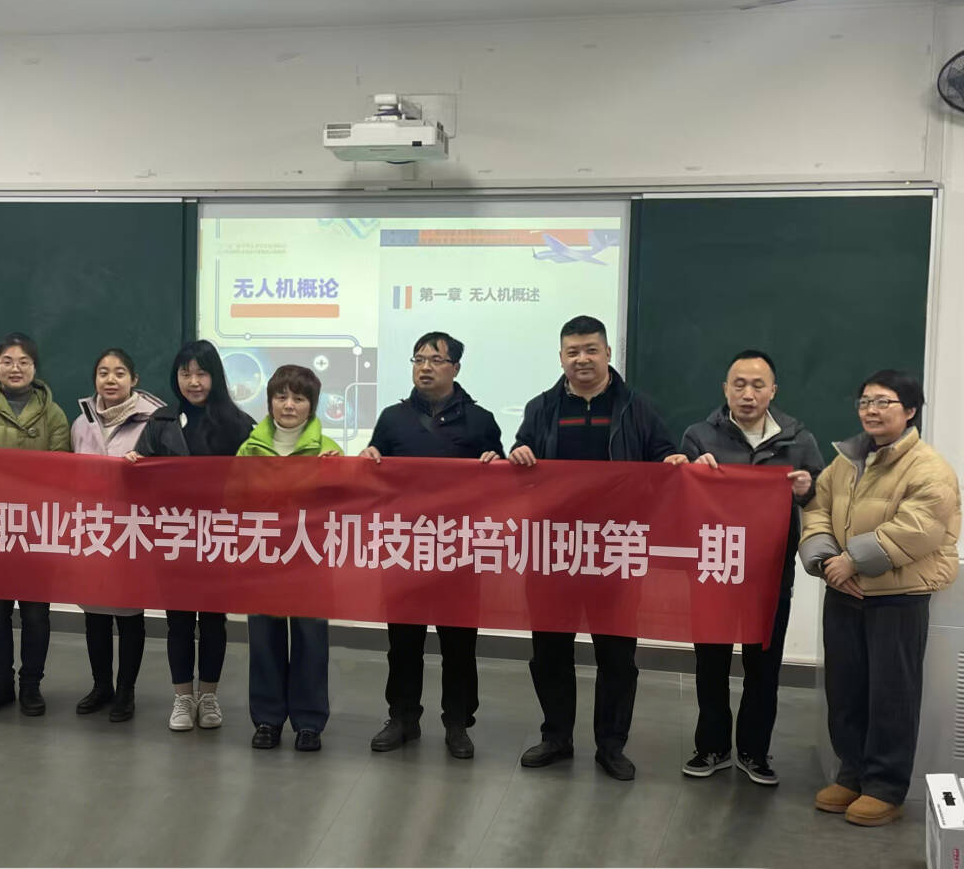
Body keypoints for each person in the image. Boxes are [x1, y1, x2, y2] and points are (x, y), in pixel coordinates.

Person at [501, 315, 683, 781]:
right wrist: (518, 453)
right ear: (561, 357)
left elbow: (662, 455)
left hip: (615, 549)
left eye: (590, 350)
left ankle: (611, 745)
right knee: (549, 651)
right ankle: (556, 737)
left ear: (607, 354)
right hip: (553, 548)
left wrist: (671, 459)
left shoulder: (637, 408)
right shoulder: (542, 407)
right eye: (573, 352)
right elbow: (522, 455)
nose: (582, 359)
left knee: (617, 655)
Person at [800, 369, 960, 826]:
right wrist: (826, 562)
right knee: (845, 690)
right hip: (844, 592)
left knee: (892, 694)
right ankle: (850, 774)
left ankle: (885, 787)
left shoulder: (929, 468)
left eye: (883, 402)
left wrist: (853, 560)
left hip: (898, 597)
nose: (871, 410)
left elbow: (919, 527)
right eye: (865, 401)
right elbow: (817, 508)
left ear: (910, 411)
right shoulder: (846, 461)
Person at [679, 349, 824, 785]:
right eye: (739, 384)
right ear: (725, 388)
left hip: (769, 571)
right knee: (711, 664)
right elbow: (678, 498)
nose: (748, 394)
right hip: (715, 568)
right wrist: (690, 473)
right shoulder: (699, 436)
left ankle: (754, 751)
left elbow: (822, 499)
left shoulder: (798, 440)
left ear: (773, 391)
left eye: (758, 385)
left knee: (764, 667)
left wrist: (806, 489)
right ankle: (712, 747)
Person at [361, 331, 504, 760]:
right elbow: (374, 473)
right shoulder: (392, 418)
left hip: (459, 550)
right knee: (403, 642)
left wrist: (495, 464)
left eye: (436, 360)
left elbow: (501, 485)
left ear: (455, 368)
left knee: (459, 645)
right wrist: (367, 459)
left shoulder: (480, 420)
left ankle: (457, 723)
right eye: (419, 359)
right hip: (405, 548)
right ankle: (402, 717)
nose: (425, 367)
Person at [128, 340, 255, 731]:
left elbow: (256, 481)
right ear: (176, 377)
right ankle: (183, 697)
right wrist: (135, 464)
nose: (194, 382)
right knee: (179, 621)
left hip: (219, 537)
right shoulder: (161, 421)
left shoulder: (239, 424)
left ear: (215, 376)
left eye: (202, 373)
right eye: (186, 373)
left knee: (213, 620)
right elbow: (142, 477)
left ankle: (209, 696)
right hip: (175, 537)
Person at [0, 332, 71, 717]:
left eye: (23, 361)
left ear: (35, 367)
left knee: (36, 613)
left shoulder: (54, 414)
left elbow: (61, 473)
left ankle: (31, 686)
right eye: (7, 361)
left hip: (37, 528)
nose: (15, 368)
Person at [236, 364, 342, 752]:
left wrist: (337, 474)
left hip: (309, 561)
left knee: (311, 642)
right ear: (269, 402)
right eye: (281, 397)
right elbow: (232, 502)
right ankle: (267, 720)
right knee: (264, 641)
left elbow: (342, 508)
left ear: (312, 405)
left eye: (299, 398)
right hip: (262, 558)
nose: (289, 405)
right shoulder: (249, 449)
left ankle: (309, 723)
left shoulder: (329, 449)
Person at [70, 347, 164, 723]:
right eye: (104, 372)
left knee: (128, 614)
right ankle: (101, 686)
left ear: (134, 380)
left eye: (120, 372)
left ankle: (126, 691)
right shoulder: (80, 423)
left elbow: (167, 474)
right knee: (94, 613)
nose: (111, 380)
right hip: (91, 527)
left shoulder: (154, 422)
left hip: (132, 530)